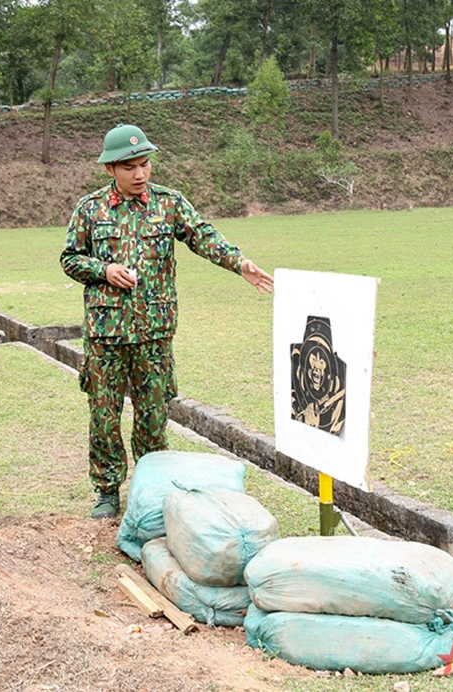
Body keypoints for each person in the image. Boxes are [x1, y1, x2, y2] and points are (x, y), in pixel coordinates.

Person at [61, 124, 274, 520]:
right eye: (130, 167)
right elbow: (69, 258)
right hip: (107, 333)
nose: (140, 174)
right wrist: (104, 269)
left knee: (153, 414)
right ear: (110, 168)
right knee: (104, 413)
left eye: (145, 164)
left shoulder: (168, 203)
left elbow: (202, 235)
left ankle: (150, 486)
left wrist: (239, 263)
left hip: (154, 332)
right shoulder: (90, 209)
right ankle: (107, 490)